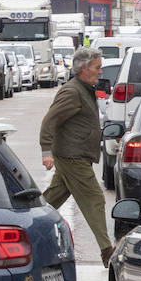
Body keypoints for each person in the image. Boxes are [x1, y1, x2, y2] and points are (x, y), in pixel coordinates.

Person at [39, 47, 113, 267]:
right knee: (95, 199)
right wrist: (46, 151)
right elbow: (50, 121)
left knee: (51, 200)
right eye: (97, 67)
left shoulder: (85, 89)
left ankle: (25, 225)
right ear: (84, 69)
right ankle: (106, 250)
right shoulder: (72, 91)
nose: (100, 71)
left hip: (74, 155)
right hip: (72, 156)